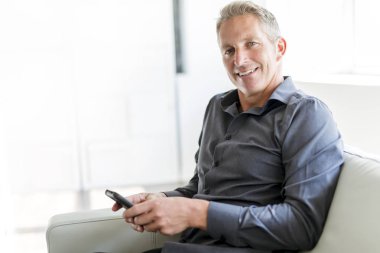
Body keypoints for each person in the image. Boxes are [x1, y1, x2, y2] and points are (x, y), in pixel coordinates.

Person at [112, 1, 344, 252]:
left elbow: (301, 227)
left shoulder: (305, 114)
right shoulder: (217, 107)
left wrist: (196, 213)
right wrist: (162, 201)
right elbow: (200, 189)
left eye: (251, 44)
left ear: (279, 48)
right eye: (229, 50)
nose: (240, 60)